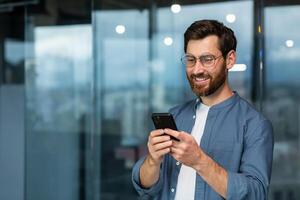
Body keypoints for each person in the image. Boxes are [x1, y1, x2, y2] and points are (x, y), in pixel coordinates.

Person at [132, 19, 274, 200]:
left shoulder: (255, 125)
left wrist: (199, 160)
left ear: (230, 59)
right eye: (191, 60)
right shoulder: (175, 115)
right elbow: (145, 187)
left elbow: (256, 194)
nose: (197, 69)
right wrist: (153, 160)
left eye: (207, 59)